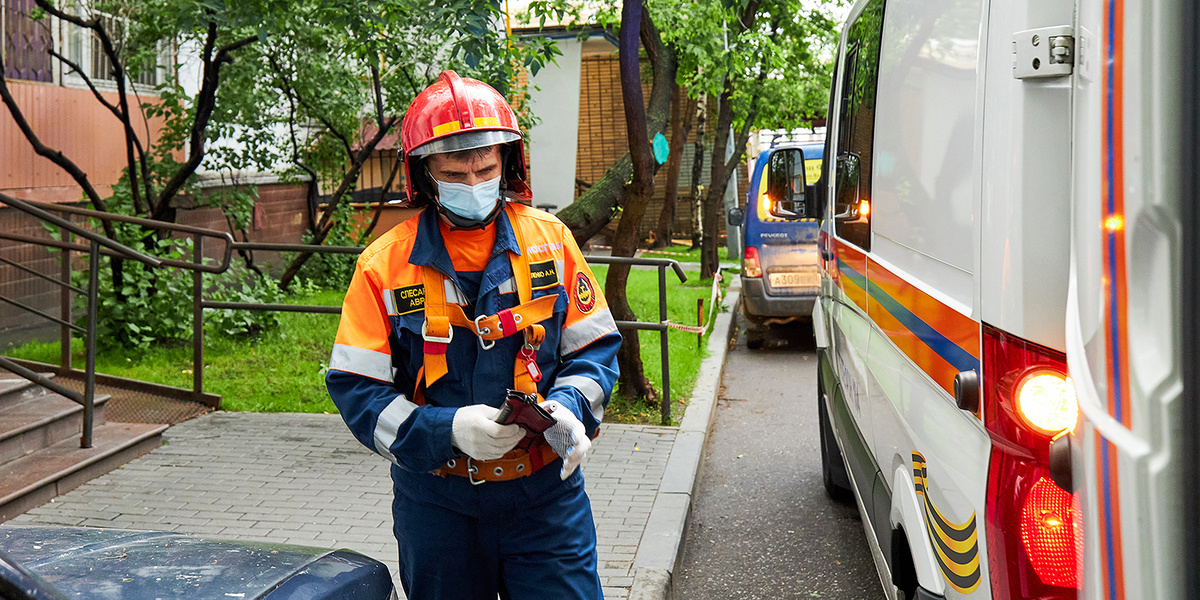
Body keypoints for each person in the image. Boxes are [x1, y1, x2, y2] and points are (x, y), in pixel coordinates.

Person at [325, 70, 620, 600]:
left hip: (545, 500)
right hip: (438, 506)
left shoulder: (551, 243)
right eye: (454, 172)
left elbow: (594, 349)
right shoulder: (383, 266)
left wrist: (572, 406)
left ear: (507, 162)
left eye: (484, 168)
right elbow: (356, 388)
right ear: (424, 173)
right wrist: (446, 431)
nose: (473, 182)